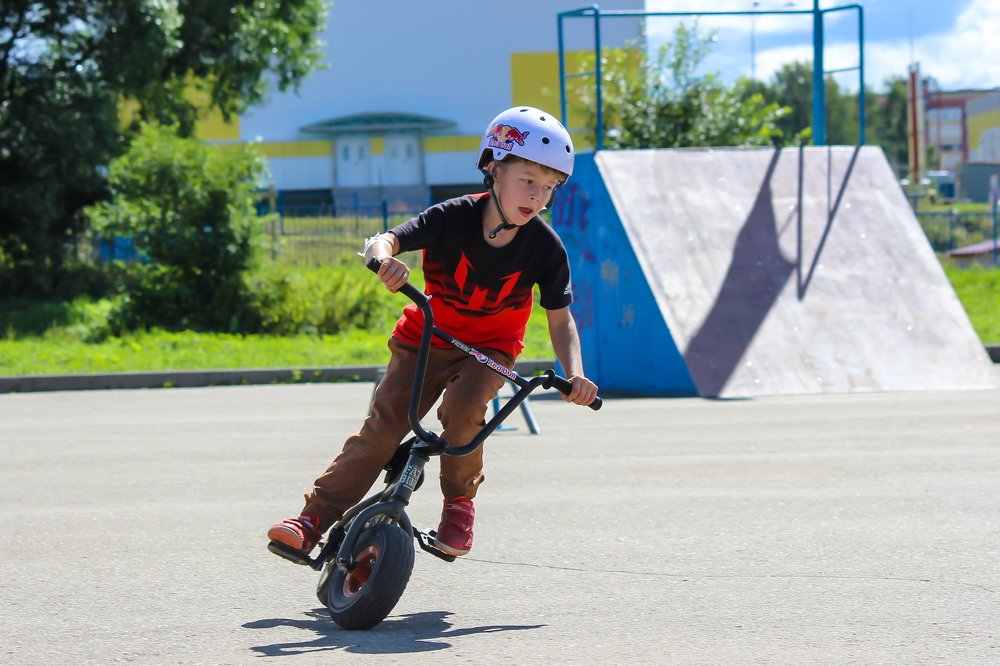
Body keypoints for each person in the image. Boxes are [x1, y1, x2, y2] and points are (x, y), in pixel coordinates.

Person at [268, 106, 599, 558]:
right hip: (425, 339)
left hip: (489, 351)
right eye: (527, 181)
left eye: (548, 188)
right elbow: (384, 239)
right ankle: (312, 519)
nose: (536, 196)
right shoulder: (453, 217)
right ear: (492, 168)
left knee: (464, 414)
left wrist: (574, 373)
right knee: (385, 429)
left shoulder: (545, 248)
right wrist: (382, 259)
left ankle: (459, 507)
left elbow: (561, 320)